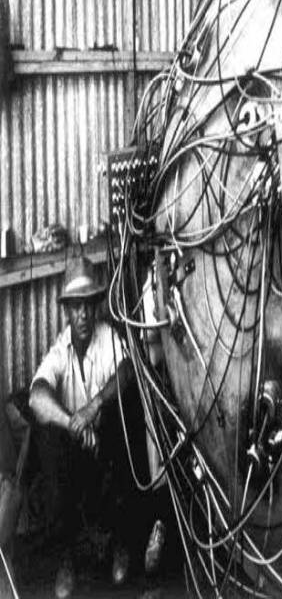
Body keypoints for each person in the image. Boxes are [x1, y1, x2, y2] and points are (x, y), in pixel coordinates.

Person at [29, 256, 134, 599]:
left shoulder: (108, 336)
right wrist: (73, 424)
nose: (84, 315)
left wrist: (94, 406)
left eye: (88, 305)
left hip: (108, 454)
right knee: (47, 436)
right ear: (67, 312)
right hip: (75, 460)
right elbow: (36, 397)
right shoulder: (61, 348)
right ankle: (67, 558)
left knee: (126, 411)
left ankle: (120, 542)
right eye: (76, 307)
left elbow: (127, 371)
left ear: (95, 306)